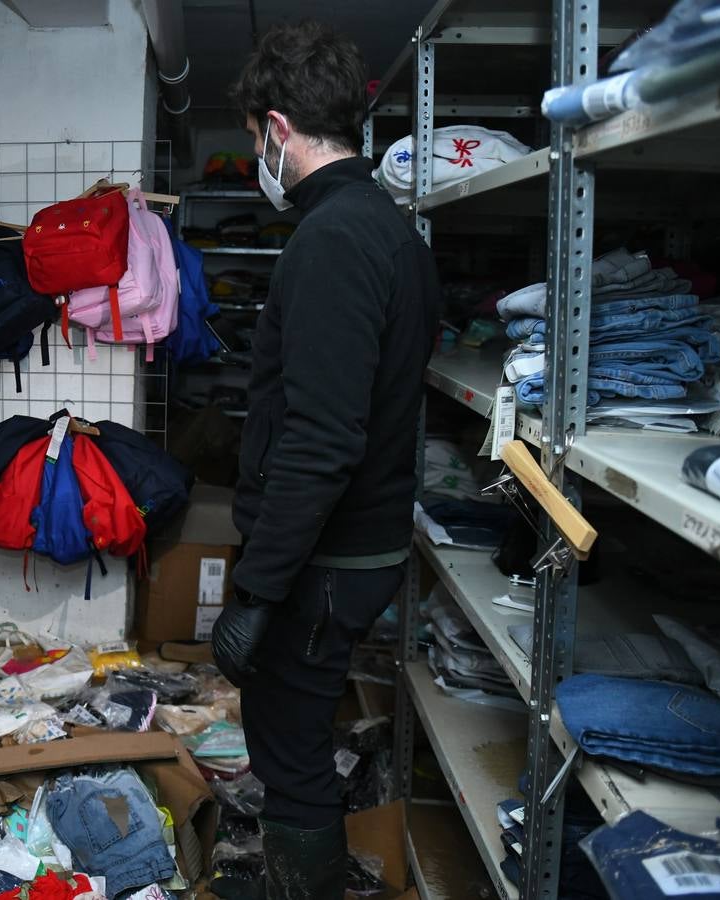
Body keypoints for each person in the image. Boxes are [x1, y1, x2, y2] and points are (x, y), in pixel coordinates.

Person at [210, 20, 441, 899]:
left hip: (327, 557)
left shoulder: (334, 239)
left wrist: (258, 593)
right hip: (359, 544)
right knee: (300, 729)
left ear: (275, 130)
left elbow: (322, 438)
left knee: (289, 742)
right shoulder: (387, 229)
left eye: (253, 139)